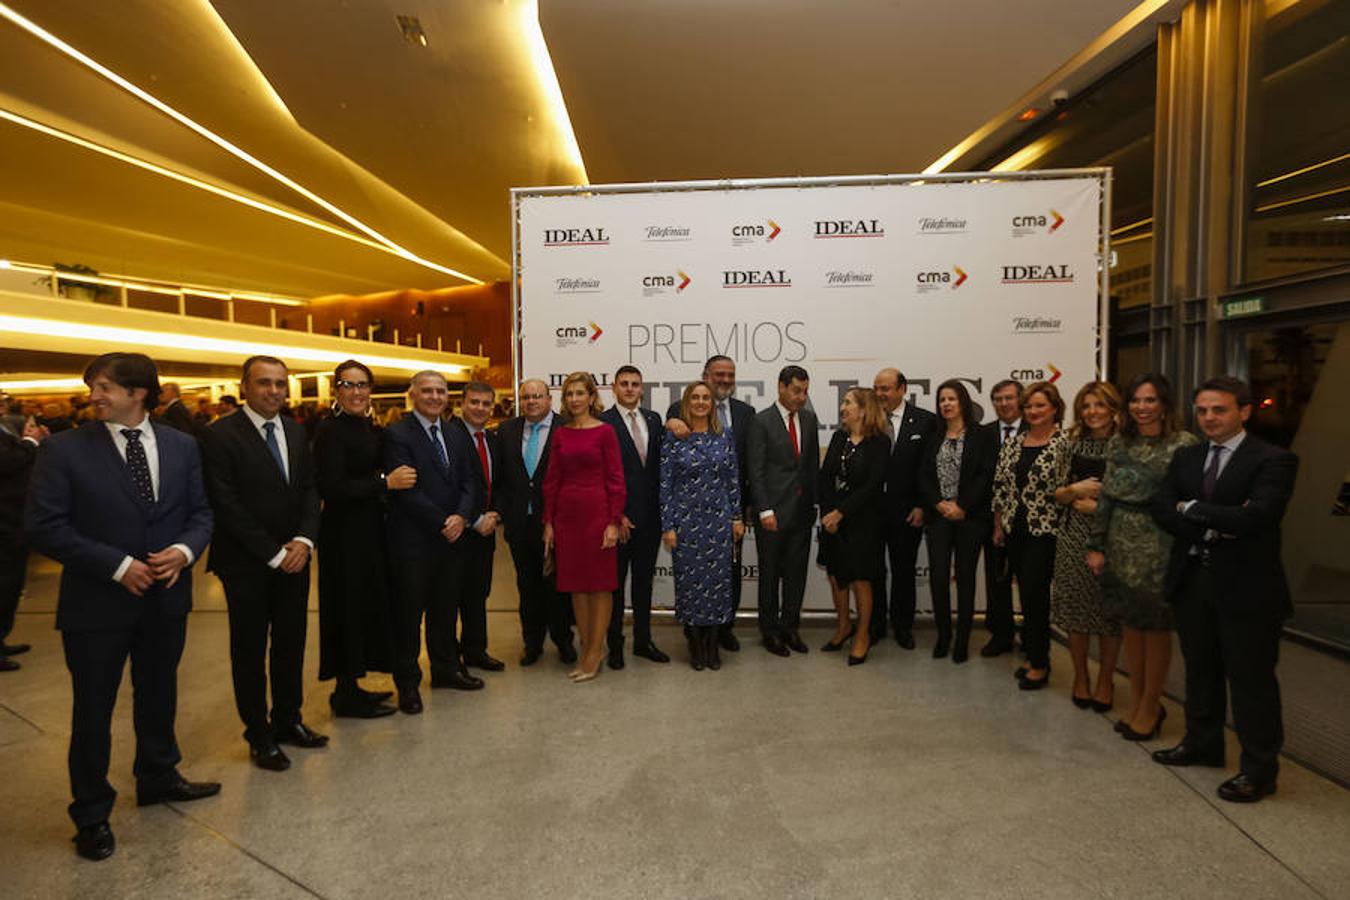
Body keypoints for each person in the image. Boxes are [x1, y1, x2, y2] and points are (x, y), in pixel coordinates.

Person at [25, 353, 217, 861]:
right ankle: (90, 813)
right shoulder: (64, 450)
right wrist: (116, 565)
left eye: (105, 387)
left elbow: (200, 513)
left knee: (159, 693)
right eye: (94, 387)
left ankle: (157, 775)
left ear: (139, 393)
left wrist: (183, 552)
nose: (94, 396)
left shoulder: (183, 446)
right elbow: (44, 525)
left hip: (165, 599)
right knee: (93, 710)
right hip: (96, 606)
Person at [1152, 376, 1298, 803]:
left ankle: (1259, 770)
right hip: (1193, 579)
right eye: (1202, 411)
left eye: (1219, 410)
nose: (1209, 418)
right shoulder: (1186, 456)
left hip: (1248, 590)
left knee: (1251, 681)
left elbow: (1260, 517)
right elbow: (1162, 508)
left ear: (1244, 411)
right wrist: (1218, 521)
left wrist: (1194, 509)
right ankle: (1203, 744)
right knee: (1201, 670)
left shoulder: (1274, 460)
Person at [201, 355, 325, 771]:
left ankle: (289, 720)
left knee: (290, 644)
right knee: (250, 651)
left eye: (279, 383)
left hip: (297, 557)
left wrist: (305, 540)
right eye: (264, 383)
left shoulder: (294, 429)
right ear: (245, 387)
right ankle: (259, 733)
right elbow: (226, 504)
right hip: (247, 564)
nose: (274, 391)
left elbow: (309, 489)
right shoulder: (219, 436)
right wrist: (274, 552)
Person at [1086, 374, 1198, 740]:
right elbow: (1105, 497)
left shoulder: (1184, 445)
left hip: (1161, 545)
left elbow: (1189, 501)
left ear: (1164, 404)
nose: (1142, 407)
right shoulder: (1121, 441)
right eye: (1135, 400)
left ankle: (1152, 706)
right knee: (1131, 627)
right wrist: (1097, 544)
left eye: (1149, 400)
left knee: (1157, 630)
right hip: (1120, 541)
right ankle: (1138, 701)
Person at [313, 360, 413, 718]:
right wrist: (384, 483)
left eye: (362, 385)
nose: (356, 392)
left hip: (370, 530)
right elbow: (332, 487)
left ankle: (351, 685)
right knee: (345, 609)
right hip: (343, 535)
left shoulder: (368, 427)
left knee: (364, 607)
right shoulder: (330, 431)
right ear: (336, 390)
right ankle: (344, 693)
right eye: (348, 384)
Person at [383, 371, 483, 715]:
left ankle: (445, 670)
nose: (435, 396)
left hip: (452, 540)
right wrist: (443, 521)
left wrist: (461, 517)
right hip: (413, 542)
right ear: (413, 394)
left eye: (441, 391)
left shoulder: (455, 433)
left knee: (445, 611)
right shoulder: (396, 435)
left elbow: (471, 481)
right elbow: (406, 491)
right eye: (427, 391)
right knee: (409, 618)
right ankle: (408, 685)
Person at [666, 355, 754, 651]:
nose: (725, 380)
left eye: (730, 374)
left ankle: (722, 631)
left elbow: (737, 473)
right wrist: (669, 524)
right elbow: (665, 481)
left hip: (722, 516)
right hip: (687, 519)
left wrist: (738, 515)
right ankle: (695, 637)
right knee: (690, 581)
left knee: (726, 577)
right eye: (719, 374)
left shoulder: (742, 416)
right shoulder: (676, 423)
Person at [542, 372, 626, 682]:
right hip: (567, 518)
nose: (575, 399)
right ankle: (588, 647)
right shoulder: (561, 435)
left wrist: (614, 522)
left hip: (598, 516)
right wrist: (548, 522)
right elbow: (552, 481)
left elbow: (616, 479)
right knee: (576, 586)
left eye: (580, 393)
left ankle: (594, 651)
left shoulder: (605, 432)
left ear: (592, 397)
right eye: (569, 394)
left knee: (600, 586)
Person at [1050, 382, 1123, 711]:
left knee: (1110, 615)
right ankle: (1081, 677)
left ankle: (1106, 679)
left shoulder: (1127, 446)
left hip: (1117, 537)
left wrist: (1100, 506)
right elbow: (1057, 493)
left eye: (1100, 405)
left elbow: (1138, 497)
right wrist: (1076, 489)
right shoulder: (1069, 443)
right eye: (1087, 406)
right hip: (1073, 536)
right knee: (1076, 611)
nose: (1092, 412)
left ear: (1113, 408)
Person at [497, 379, 577, 665]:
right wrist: (504, 512)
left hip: (556, 524)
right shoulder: (507, 430)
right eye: (527, 397)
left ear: (549, 399)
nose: (532, 402)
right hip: (519, 525)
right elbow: (502, 478)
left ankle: (563, 640)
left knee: (557, 588)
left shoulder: (567, 428)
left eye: (537, 397)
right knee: (527, 586)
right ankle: (532, 643)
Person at [993, 381, 1067, 690]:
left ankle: (1040, 663)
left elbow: (1067, 488)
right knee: (1026, 594)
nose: (1033, 411)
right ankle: (1034, 654)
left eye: (1040, 406)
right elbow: (1000, 486)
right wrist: (999, 526)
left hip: (1046, 531)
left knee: (1036, 596)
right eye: (1029, 407)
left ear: (1054, 409)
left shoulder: (1064, 442)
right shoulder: (1014, 442)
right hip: (1015, 529)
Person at [919, 380, 997, 663]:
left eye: (951, 398)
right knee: (939, 578)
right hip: (939, 517)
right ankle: (944, 636)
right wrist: (939, 503)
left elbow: (985, 476)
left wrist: (962, 506)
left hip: (970, 518)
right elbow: (923, 476)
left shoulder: (982, 435)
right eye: (942, 400)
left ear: (963, 402)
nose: (946, 404)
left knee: (965, 580)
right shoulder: (933, 436)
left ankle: (963, 639)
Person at [747, 365, 820, 657]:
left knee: (796, 575)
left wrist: (814, 504)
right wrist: (764, 509)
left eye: (805, 391)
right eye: (796, 390)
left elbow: (810, 466)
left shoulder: (810, 420)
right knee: (768, 575)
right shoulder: (761, 421)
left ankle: (791, 628)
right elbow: (756, 469)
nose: (801, 397)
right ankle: (770, 631)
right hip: (772, 514)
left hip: (802, 514)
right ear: (781, 387)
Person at [600, 365, 669, 668]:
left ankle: (643, 641)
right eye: (624, 384)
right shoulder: (602, 423)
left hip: (650, 519)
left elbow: (658, 471)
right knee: (614, 586)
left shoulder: (654, 420)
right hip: (617, 522)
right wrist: (616, 516)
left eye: (635, 384)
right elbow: (598, 476)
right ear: (614, 388)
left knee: (644, 584)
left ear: (642, 389)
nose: (629, 388)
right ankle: (614, 645)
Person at [817, 387, 889, 664]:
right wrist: (828, 514)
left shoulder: (879, 442)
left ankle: (862, 635)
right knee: (837, 575)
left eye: (848, 403)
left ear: (863, 408)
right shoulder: (839, 437)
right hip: (833, 521)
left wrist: (841, 513)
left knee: (861, 578)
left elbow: (872, 485)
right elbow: (825, 478)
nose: (842, 407)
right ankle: (843, 626)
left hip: (864, 521)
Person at [870, 368, 937, 649]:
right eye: (877, 388)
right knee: (873, 571)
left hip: (907, 511)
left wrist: (923, 505)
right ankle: (874, 626)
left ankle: (902, 626)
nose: (880, 394)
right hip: (871, 511)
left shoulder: (926, 422)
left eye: (886, 388)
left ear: (902, 389)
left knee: (904, 571)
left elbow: (930, 468)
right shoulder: (869, 419)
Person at [446, 380, 506, 673]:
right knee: (449, 598)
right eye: (474, 402)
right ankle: (448, 659)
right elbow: (446, 489)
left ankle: (475, 650)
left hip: (486, 533)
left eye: (486, 404)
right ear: (462, 403)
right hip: (455, 532)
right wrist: (474, 519)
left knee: (477, 594)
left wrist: (495, 514)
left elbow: (500, 484)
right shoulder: (447, 436)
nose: (480, 408)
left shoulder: (493, 439)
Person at [981, 379, 1025, 657]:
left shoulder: (1039, 430)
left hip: (1028, 522)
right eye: (997, 399)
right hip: (991, 519)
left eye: (1008, 398)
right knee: (996, 581)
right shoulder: (982, 434)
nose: (1003, 404)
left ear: (1020, 400)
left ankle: (1032, 637)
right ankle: (1001, 635)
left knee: (1030, 583)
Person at [1, 416, 47, 670]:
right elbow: (7, 462)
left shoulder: (6, 428)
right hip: (4, 522)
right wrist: (31, 441)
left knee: (10, 585)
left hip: (14, 521)